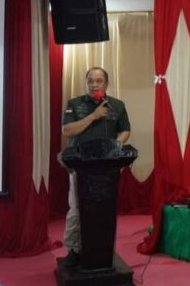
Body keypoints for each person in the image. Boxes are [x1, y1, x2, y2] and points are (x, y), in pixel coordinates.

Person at [59, 67, 131, 266]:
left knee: (103, 211)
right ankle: (73, 249)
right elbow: (67, 130)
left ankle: (102, 250)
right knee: (77, 209)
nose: (94, 85)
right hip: (80, 166)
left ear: (106, 84)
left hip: (107, 168)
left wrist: (115, 145)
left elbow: (125, 130)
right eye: (90, 81)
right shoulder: (75, 104)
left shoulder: (117, 105)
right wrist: (93, 116)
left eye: (99, 81)